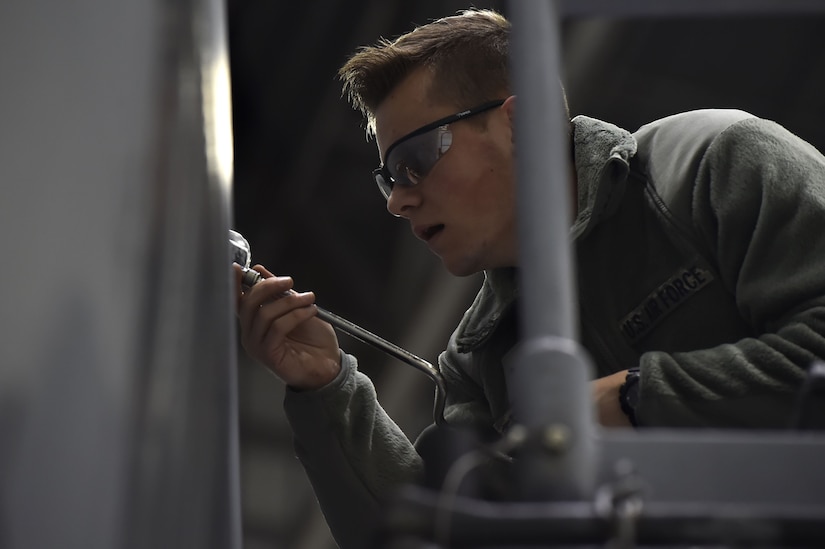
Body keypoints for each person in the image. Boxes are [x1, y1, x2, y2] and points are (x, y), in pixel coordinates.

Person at [235, 8, 825, 548]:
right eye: (389, 178)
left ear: (522, 122)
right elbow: (436, 534)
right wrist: (326, 389)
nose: (398, 202)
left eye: (414, 162)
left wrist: (637, 399)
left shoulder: (714, 167)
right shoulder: (480, 359)